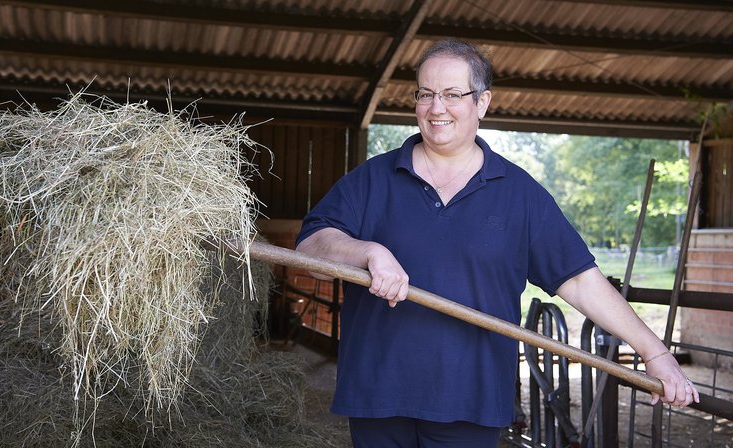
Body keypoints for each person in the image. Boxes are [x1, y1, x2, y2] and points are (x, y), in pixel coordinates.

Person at [295, 39, 699, 448]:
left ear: (482, 102)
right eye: (426, 94)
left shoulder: (519, 194)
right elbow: (309, 249)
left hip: (472, 401)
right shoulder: (372, 180)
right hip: (378, 395)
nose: (437, 108)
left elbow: (579, 281)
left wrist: (655, 353)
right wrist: (367, 252)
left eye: (453, 95)